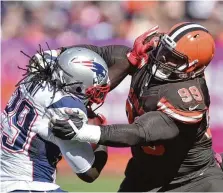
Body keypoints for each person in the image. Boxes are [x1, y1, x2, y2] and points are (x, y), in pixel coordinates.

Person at [49, 22, 223, 191]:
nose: (162, 57)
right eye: (164, 49)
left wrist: (83, 131)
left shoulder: (188, 95)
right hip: (145, 175)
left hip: (193, 179)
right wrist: (54, 55)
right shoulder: (147, 58)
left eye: (172, 58)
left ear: (192, 69)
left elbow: (140, 132)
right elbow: (101, 54)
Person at [0, 47, 109, 192]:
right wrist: (102, 136)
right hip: (30, 185)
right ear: (76, 86)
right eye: (93, 91)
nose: (94, 97)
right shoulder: (64, 107)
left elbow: (51, 54)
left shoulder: (34, 76)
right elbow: (89, 173)